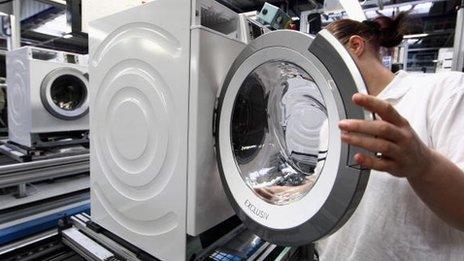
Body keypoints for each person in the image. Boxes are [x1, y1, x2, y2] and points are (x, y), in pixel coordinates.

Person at [316, 13, 464, 260]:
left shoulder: (442, 92)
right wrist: (300, 191)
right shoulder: (330, 122)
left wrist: (423, 165)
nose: (319, 75)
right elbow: (334, 186)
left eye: (324, 62)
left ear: (355, 45)